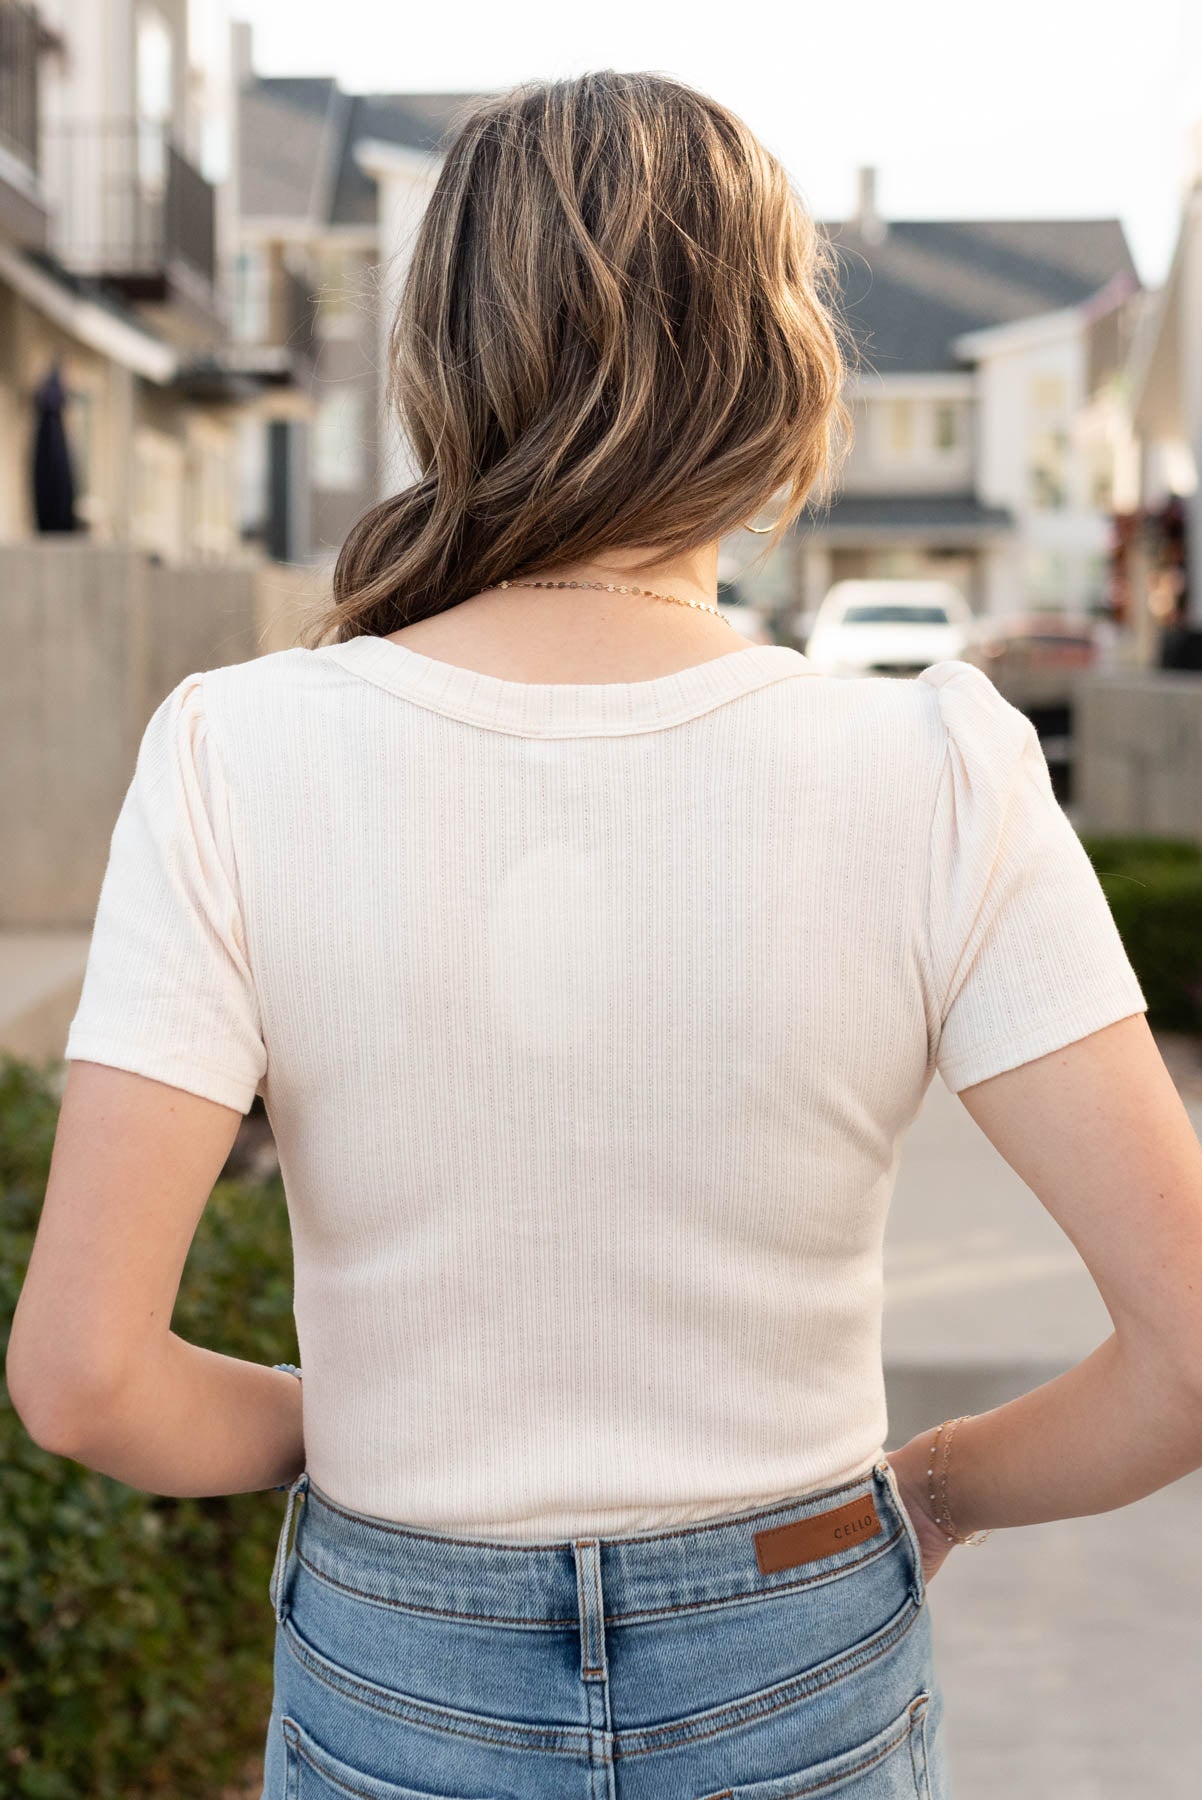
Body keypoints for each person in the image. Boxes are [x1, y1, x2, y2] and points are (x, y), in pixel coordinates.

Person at [9, 70, 1202, 1800]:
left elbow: (85, 1384)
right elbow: (1184, 1353)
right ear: (779, 359)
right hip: (801, 1639)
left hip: (394, 1656)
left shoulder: (235, 752)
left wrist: (357, 1426)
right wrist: (925, 1489)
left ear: (444, 360)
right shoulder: (935, 767)